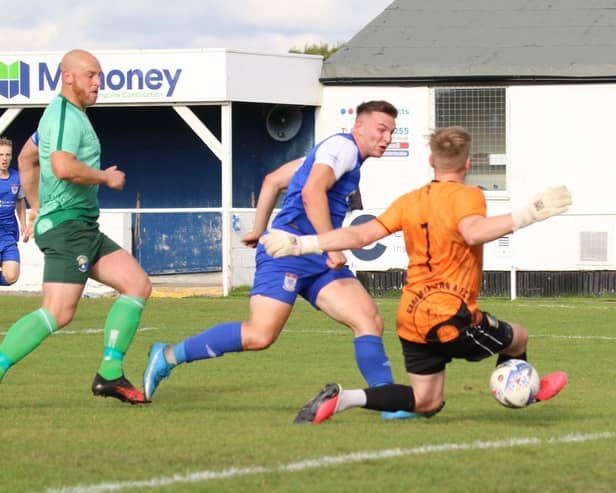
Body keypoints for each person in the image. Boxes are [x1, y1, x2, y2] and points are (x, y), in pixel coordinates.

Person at [261, 126, 571, 423]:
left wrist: (302, 243)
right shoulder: (467, 196)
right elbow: (473, 232)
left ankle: (343, 399)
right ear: (467, 163)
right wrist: (528, 214)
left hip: (411, 316)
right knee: (518, 338)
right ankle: (520, 390)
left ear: (431, 161)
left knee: (427, 402)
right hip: (452, 315)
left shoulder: (409, 201)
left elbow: (360, 236)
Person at [144, 101, 409, 418]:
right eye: (381, 129)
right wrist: (332, 247)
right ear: (359, 126)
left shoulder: (329, 153)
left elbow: (272, 180)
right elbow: (312, 193)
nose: (387, 137)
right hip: (293, 253)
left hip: (310, 253)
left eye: (391, 132)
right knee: (259, 335)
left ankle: (390, 404)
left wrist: (258, 229)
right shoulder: (345, 148)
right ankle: (168, 356)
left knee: (369, 320)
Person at [0, 49, 152, 404]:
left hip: (80, 225)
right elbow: (64, 167)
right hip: (69, 228)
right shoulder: (65, 116)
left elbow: (26, 157)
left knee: (137, 284)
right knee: (58, 311)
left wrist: (38, 208)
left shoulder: (64, 116)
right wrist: (105, 177)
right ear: (68, 77)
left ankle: (110, 375)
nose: (99, 83)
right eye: (91, 76)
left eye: (99, 75)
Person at [0, 136, 29, 286]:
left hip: (8, 236)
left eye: (7, 154)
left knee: (11, 277)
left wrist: (23, 224)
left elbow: (20, 200)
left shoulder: (17, 178)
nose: (4, 158)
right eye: (0, 155)